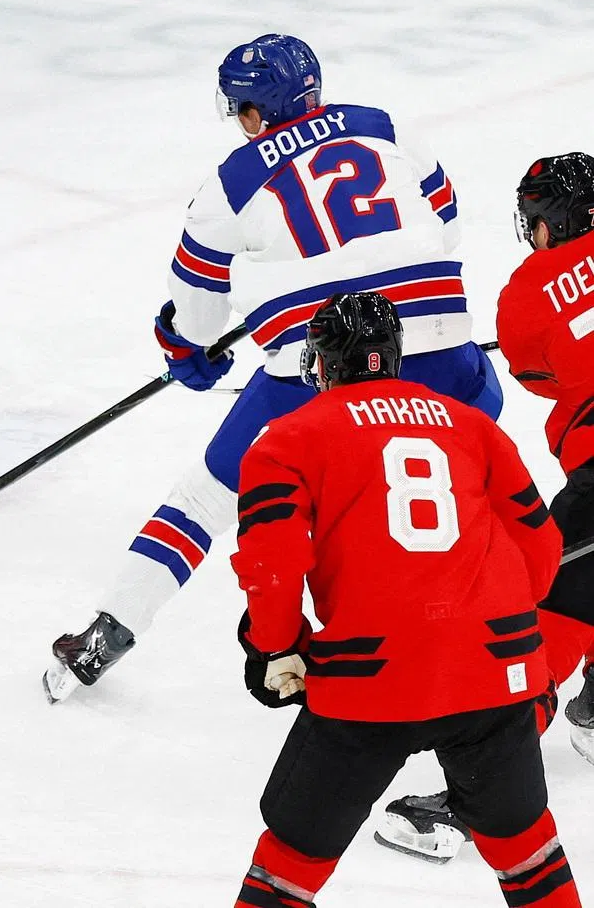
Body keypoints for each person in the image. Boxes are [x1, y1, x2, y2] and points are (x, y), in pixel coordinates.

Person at [44, 33, 502, 702]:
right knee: (467, 463)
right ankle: (470, 611)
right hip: (448, 363)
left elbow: (196, 317)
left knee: (207, 495)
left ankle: (107, 635)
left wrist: (189, 351)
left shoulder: (229, 182)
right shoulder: (387, 127)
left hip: (315, 372)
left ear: (254, 113)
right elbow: (446, 227)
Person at [229, 292, 580, 908]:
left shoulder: (285, 441)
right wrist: (484, 629)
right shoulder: (472, 426)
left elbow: (273, 567)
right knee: (530, 857)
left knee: (290, 863)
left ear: (322, 363)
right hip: (493, 675)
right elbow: (543, 550)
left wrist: (275, 649)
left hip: (368, 682)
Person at [377, 153, 594, 864]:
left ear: (548, 224)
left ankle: (468, 803)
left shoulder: (533, 283)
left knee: (540, 625)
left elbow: (537, 375)